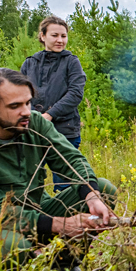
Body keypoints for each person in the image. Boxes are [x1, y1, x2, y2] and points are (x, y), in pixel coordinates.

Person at [0, 68, 117, 271]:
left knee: (103, 189)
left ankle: (62, 265)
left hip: (38, 209)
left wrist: (91, 194)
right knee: (10, 247)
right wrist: (60, 225)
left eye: (27, 102)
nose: (26, 111)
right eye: (15, 106)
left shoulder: (33, 123)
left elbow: (70, 159)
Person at [21, 15, 86, 191]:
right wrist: (32, 118)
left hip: (65, 131)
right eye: (55, 35)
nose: (60, 40)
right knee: (31, 183)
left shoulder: (72, 62)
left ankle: (68, 217)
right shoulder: (30, 63)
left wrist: (49, 115)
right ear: (43, 36)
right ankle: (37, 216)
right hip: (33, 131)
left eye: (63, 36)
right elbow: (21, 95)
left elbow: (75, 94)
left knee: (65, 185)